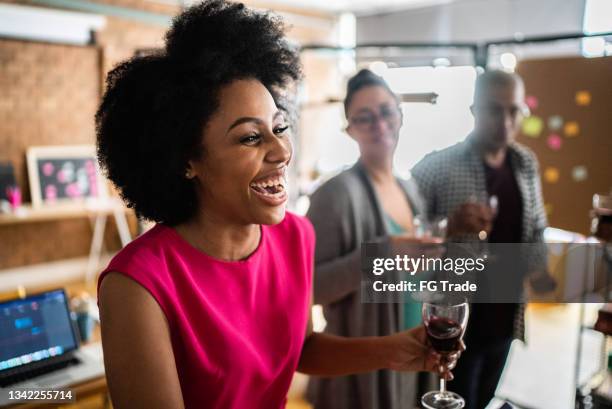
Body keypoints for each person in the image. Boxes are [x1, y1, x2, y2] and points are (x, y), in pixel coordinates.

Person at [95, 3, 448, 409]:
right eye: (250, 137)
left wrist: (391, 350)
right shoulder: (138, 286)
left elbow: (298, 349)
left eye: (279, 127)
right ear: (186, 160)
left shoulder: (296, 237)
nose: (281, 151)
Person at [411, 70, 553, 409]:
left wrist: (542, 271)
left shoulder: (526, 164)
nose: (505, 120)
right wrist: (447, 226)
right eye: (494, 110)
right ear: (475, 111)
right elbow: (406, 236)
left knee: (484, 400)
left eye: (513, 110)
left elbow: (536, 229)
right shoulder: (436, 167)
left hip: (505, 317)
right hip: (451, 324)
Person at [306, 69, 443, 409]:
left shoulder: (409, 188)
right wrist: (381, 255)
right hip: (360, 367)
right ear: (350, 129)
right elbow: (309, 287)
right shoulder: (334, 195)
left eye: (385, 112)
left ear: (400, 115)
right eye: (364, 118)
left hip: (413, 349)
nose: (379, 125)